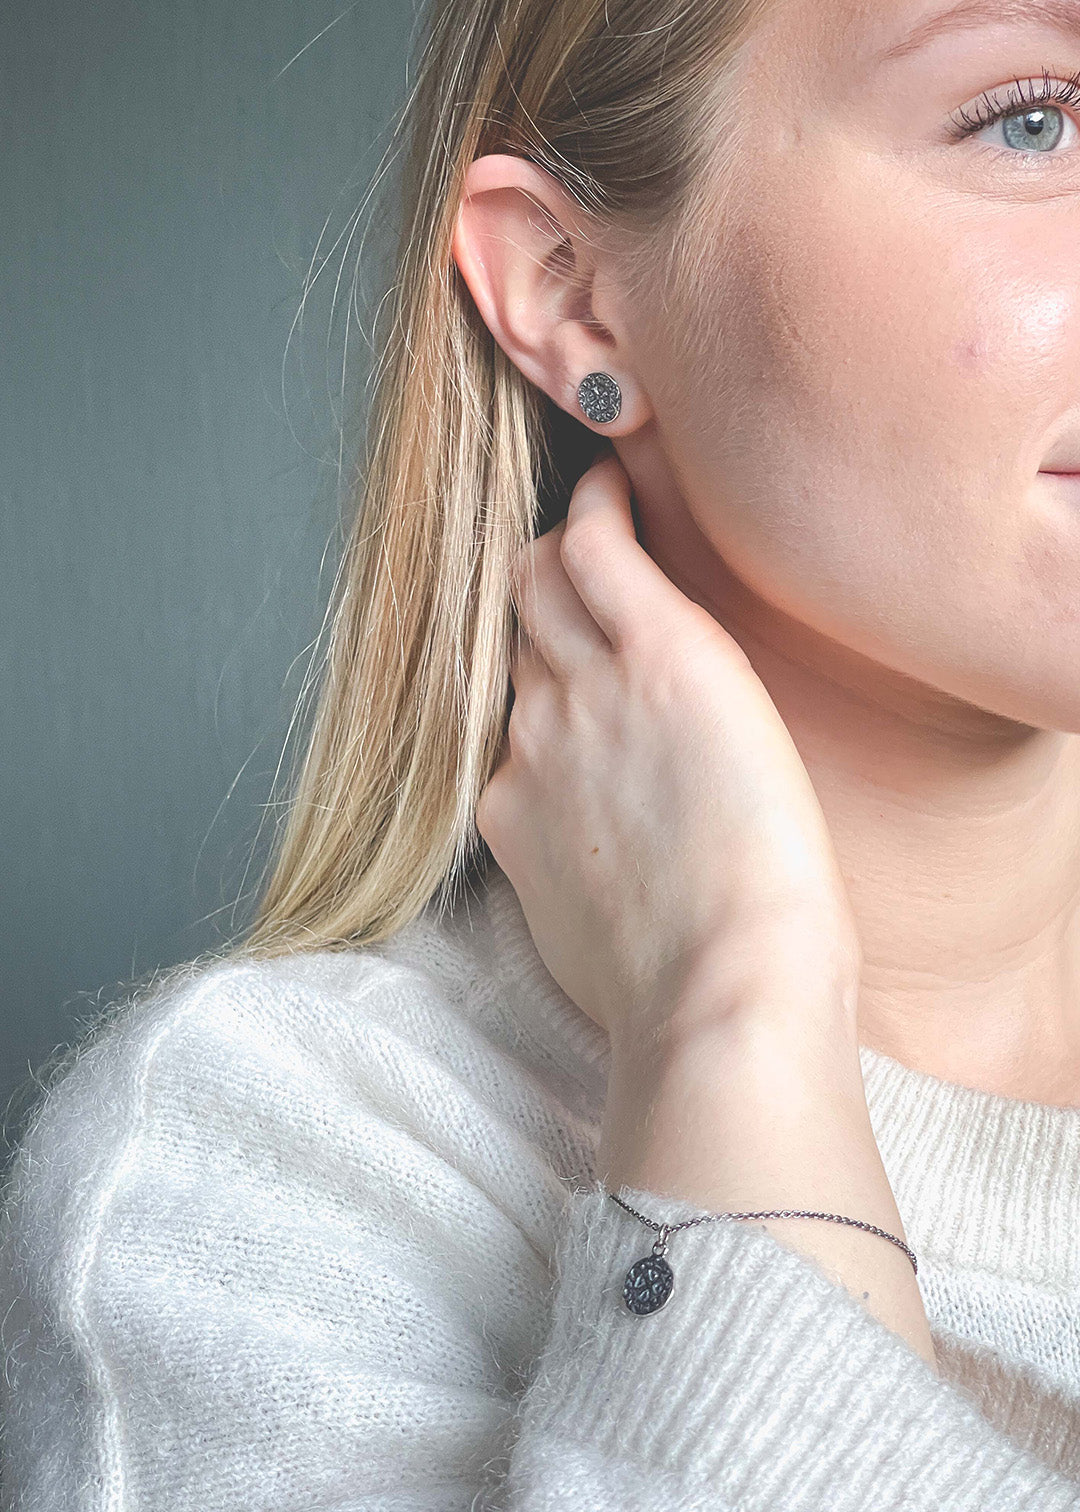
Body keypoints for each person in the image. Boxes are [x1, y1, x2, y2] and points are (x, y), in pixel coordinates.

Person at [4, 0, 1080, 1503]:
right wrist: (732, 1021)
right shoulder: (261, 1189)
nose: (1049, 138)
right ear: (570, 294)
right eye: (1034, 120)